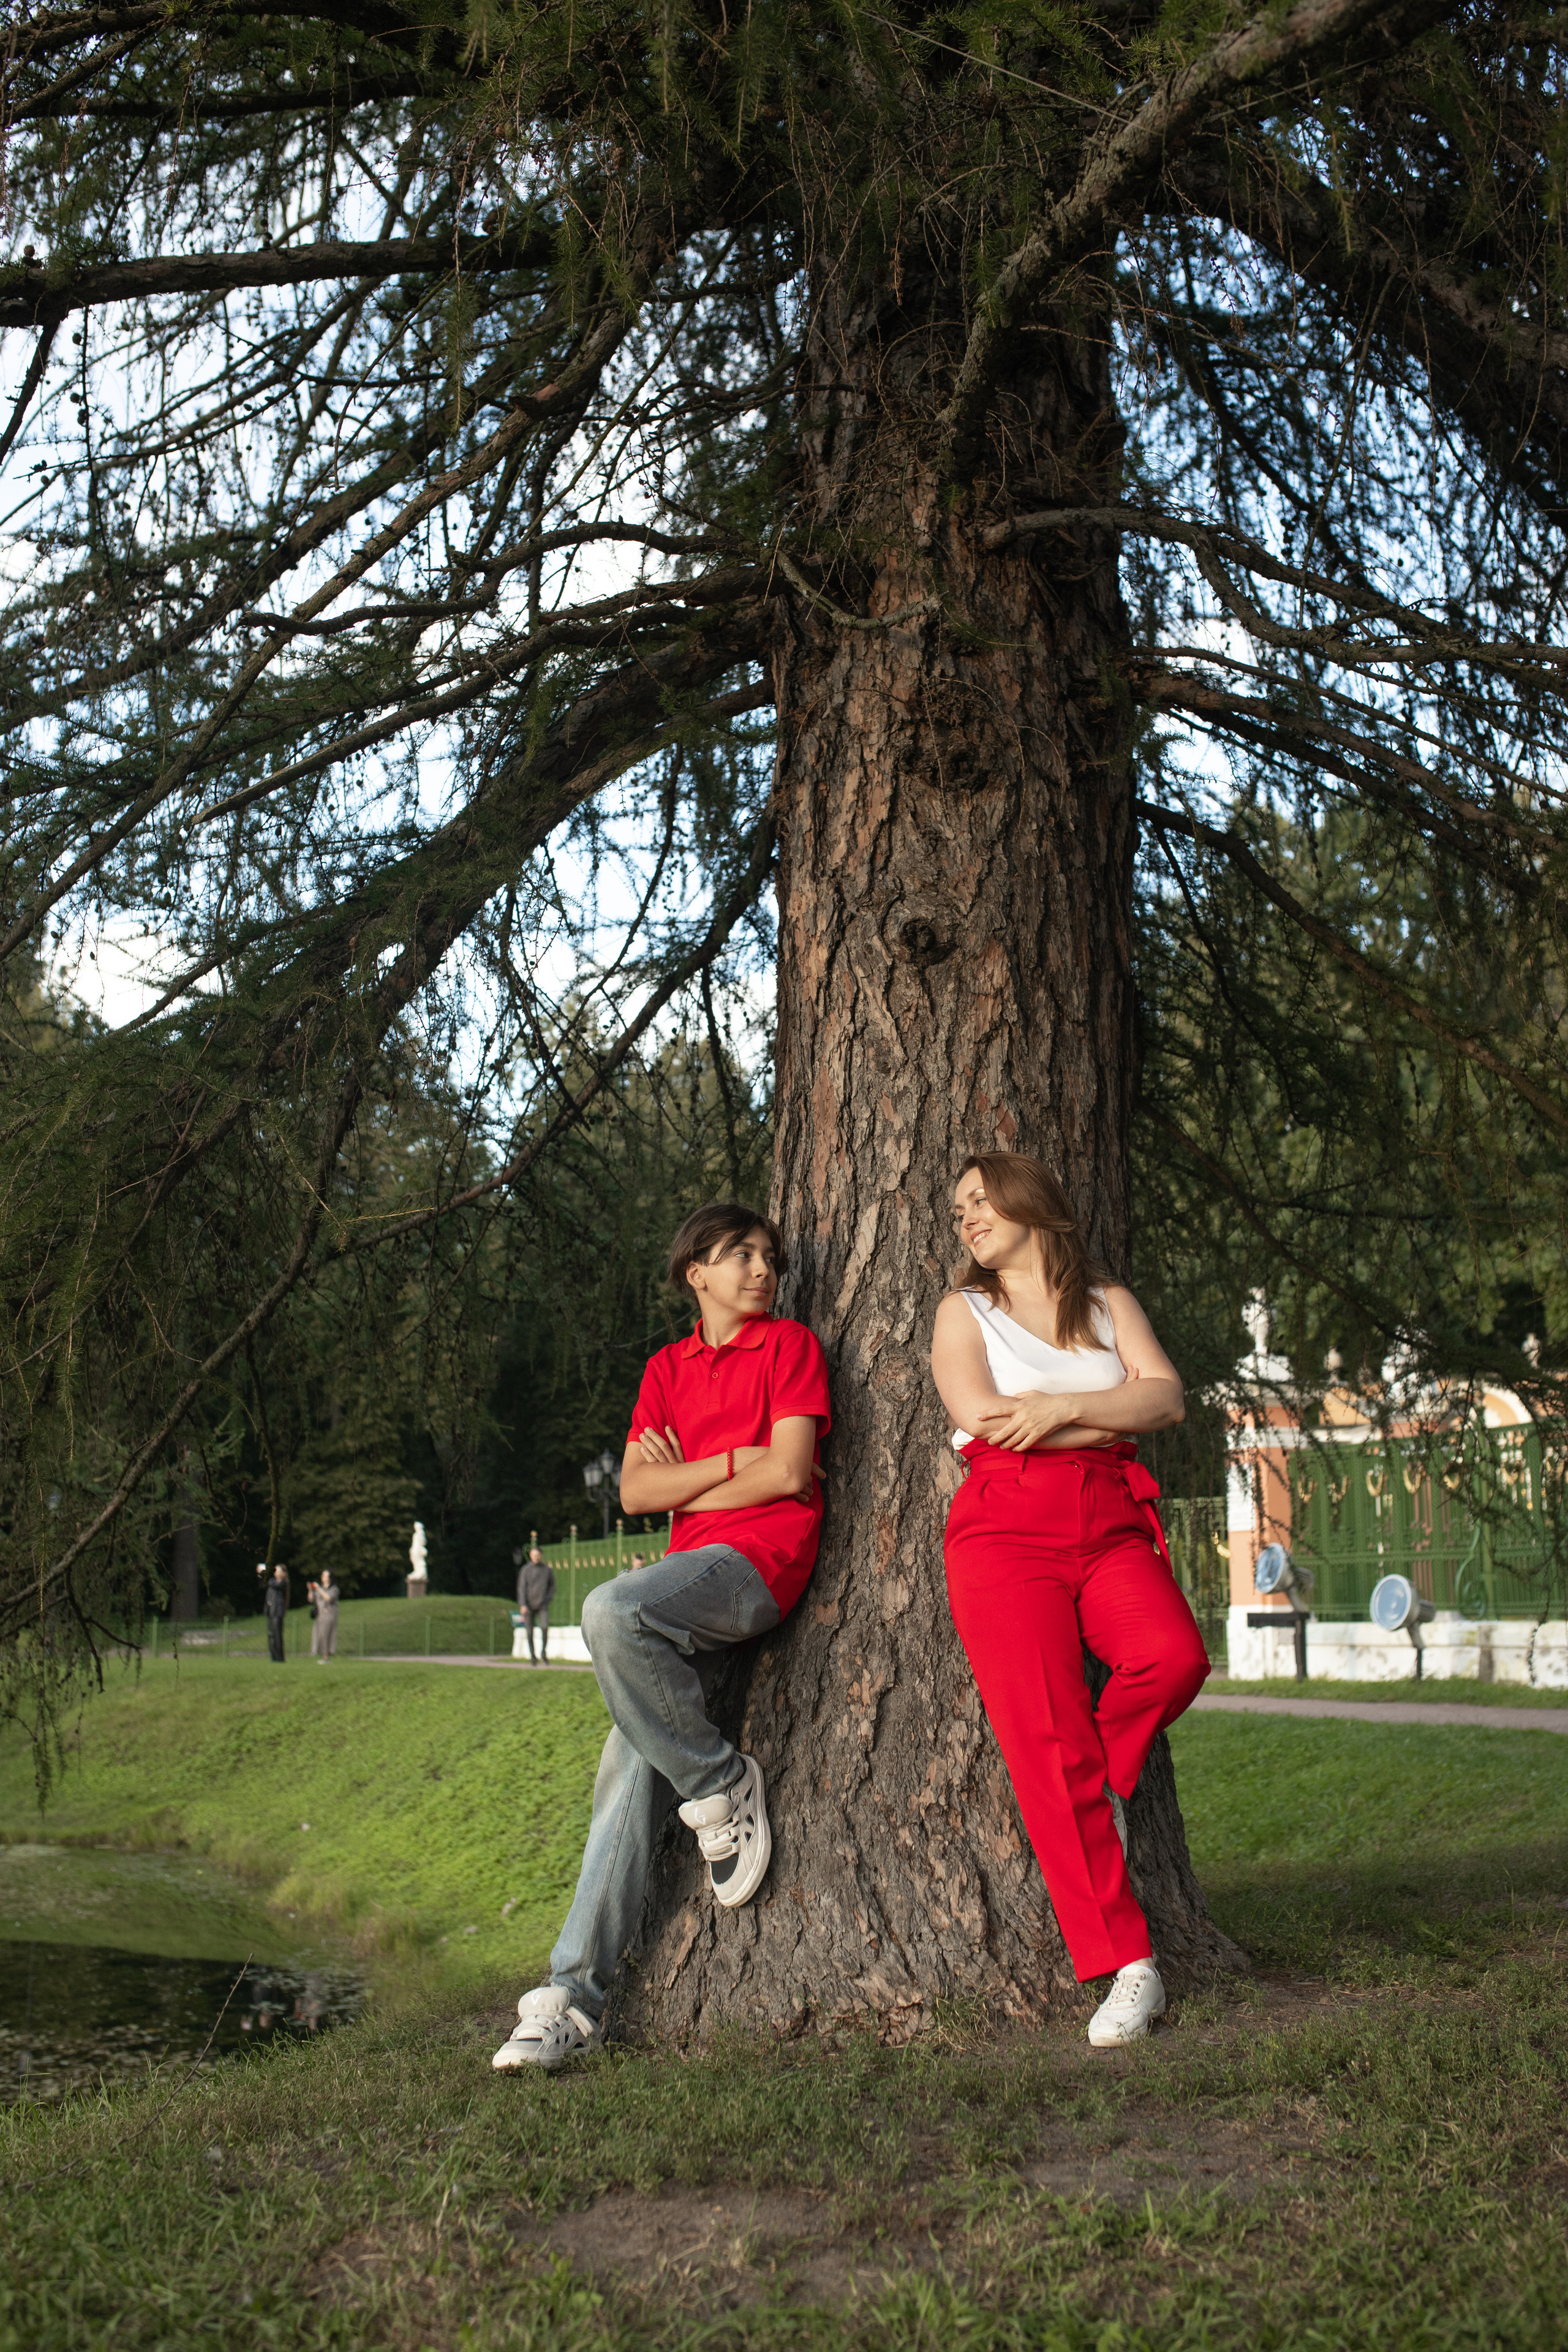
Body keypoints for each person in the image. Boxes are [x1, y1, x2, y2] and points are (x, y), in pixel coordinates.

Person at [492, 1201, 830, 2074]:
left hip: (757, 1565)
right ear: (698, 1274)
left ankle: (721, 1786)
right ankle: (571, 1998)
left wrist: (689, 1480)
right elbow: (637, 1497)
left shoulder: (789, 1347)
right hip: (679, 1587)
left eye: (769, 1256)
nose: (763, 1269)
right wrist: (729, 1466)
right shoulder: (666, 1369)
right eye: (741, 1255)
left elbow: (791, 1472)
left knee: (606, 1609)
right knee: (624, 1770)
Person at [930, 1153, 1209, 2049]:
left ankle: (1103, 1779)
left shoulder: (1107, 1303)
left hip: (1108, 1512)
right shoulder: (962, 1312)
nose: (968, 1218)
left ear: (1031, 1204)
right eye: (959, 1209)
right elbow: (983, 1415)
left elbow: (1166, 1399)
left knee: (1172, 1657)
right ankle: (1129, 1967)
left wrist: (1055, 1412)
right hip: (1005, 1523)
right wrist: (1079, 1410)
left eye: (981, 1200)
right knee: (1042, 1743)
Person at [516, 1546, 555, 1665]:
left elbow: (552, 1586)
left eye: (538, 1555)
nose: (536, 1557)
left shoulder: (547, 1570)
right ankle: (533, 1656)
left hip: (543, 1605)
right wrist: (523, 1604)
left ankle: (543, 1653)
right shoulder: (526, 1570)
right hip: (528, 1606)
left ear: (541, 1555)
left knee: (545, 1628)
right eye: (534, 1555)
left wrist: (547, 1599)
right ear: (530, 1556)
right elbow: (522, 1588)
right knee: (529, 1632)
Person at [260, 1562, 289, 1662]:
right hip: (271, 1612)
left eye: (277, 1570)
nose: (275, 1572)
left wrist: (266, 1577)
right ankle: (273, 1657)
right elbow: (263, 1585)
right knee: (271, 1635)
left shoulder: (283, 1583)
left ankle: (280, 1658)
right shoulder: (272, 1581)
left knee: (277, 1635)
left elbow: (274, 1585)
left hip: (278, 1612)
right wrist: (261, 1575)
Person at [308, 1569, 339, 1660]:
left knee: (326, 1635)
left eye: (325, 1576)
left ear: (330, 1578)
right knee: (319, 1635)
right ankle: (323, 1656)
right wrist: (310, 1590)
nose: (322, 1577)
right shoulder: (320, 1589)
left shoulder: (334, 1589)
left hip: (329, 1615)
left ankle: (326, 1657)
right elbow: (311, 1599)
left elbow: (329, 1598)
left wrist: (318, 1588)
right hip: (320, 1616)